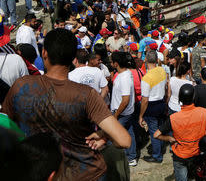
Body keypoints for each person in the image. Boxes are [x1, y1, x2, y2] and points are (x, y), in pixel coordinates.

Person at [2, 29, 131, 180]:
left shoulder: (20, 86)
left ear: (44, 53)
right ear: (73, 59)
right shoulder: (86, 94)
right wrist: (104, 136)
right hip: (87, 173)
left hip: (41, 173)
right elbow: (124, 140)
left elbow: (4, 126)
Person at [154, 84, 206, 181]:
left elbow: (156, 134)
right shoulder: (203, 112)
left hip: (180, 156)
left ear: (180, 99)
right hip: (197, 153)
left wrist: (169, 138)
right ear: (194, 97)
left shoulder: (173, 118)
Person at [138, 50, 167, 163]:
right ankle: (160, 148)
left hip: (152, 106)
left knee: (154, 132)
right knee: (159, 129)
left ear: (145, 60)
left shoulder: (146, 78)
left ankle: (157, 156)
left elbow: (144, 100)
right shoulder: (162, 70)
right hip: (161, 103)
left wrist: (140, 116)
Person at [110, 51, 137, 166]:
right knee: (129, 132)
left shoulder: (124, 77)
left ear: (116, 63)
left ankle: (126, 157)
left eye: (111, 62)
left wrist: (116, 115)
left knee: (116, 135)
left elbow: (125, 100)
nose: (110, 63)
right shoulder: (125, 74)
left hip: (122, 112)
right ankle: (131, 157)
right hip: (126, 111)